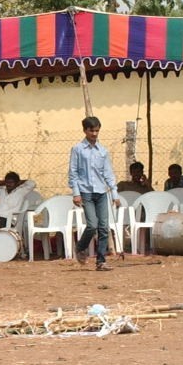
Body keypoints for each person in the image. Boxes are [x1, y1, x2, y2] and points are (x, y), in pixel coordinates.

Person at [68, 116, 121, 271]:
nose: (95, 134)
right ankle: (80, 247)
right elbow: (73, 173)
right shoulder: (78, 149)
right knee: (92, 225)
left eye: (97, 130)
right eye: (92, 130)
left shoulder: (103, 151)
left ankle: (101, 261)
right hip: (86, 192)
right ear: (85, 130)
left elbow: (108, 174)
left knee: (104, 227)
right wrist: (76, 193)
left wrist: (115, 194)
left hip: (101, 192)